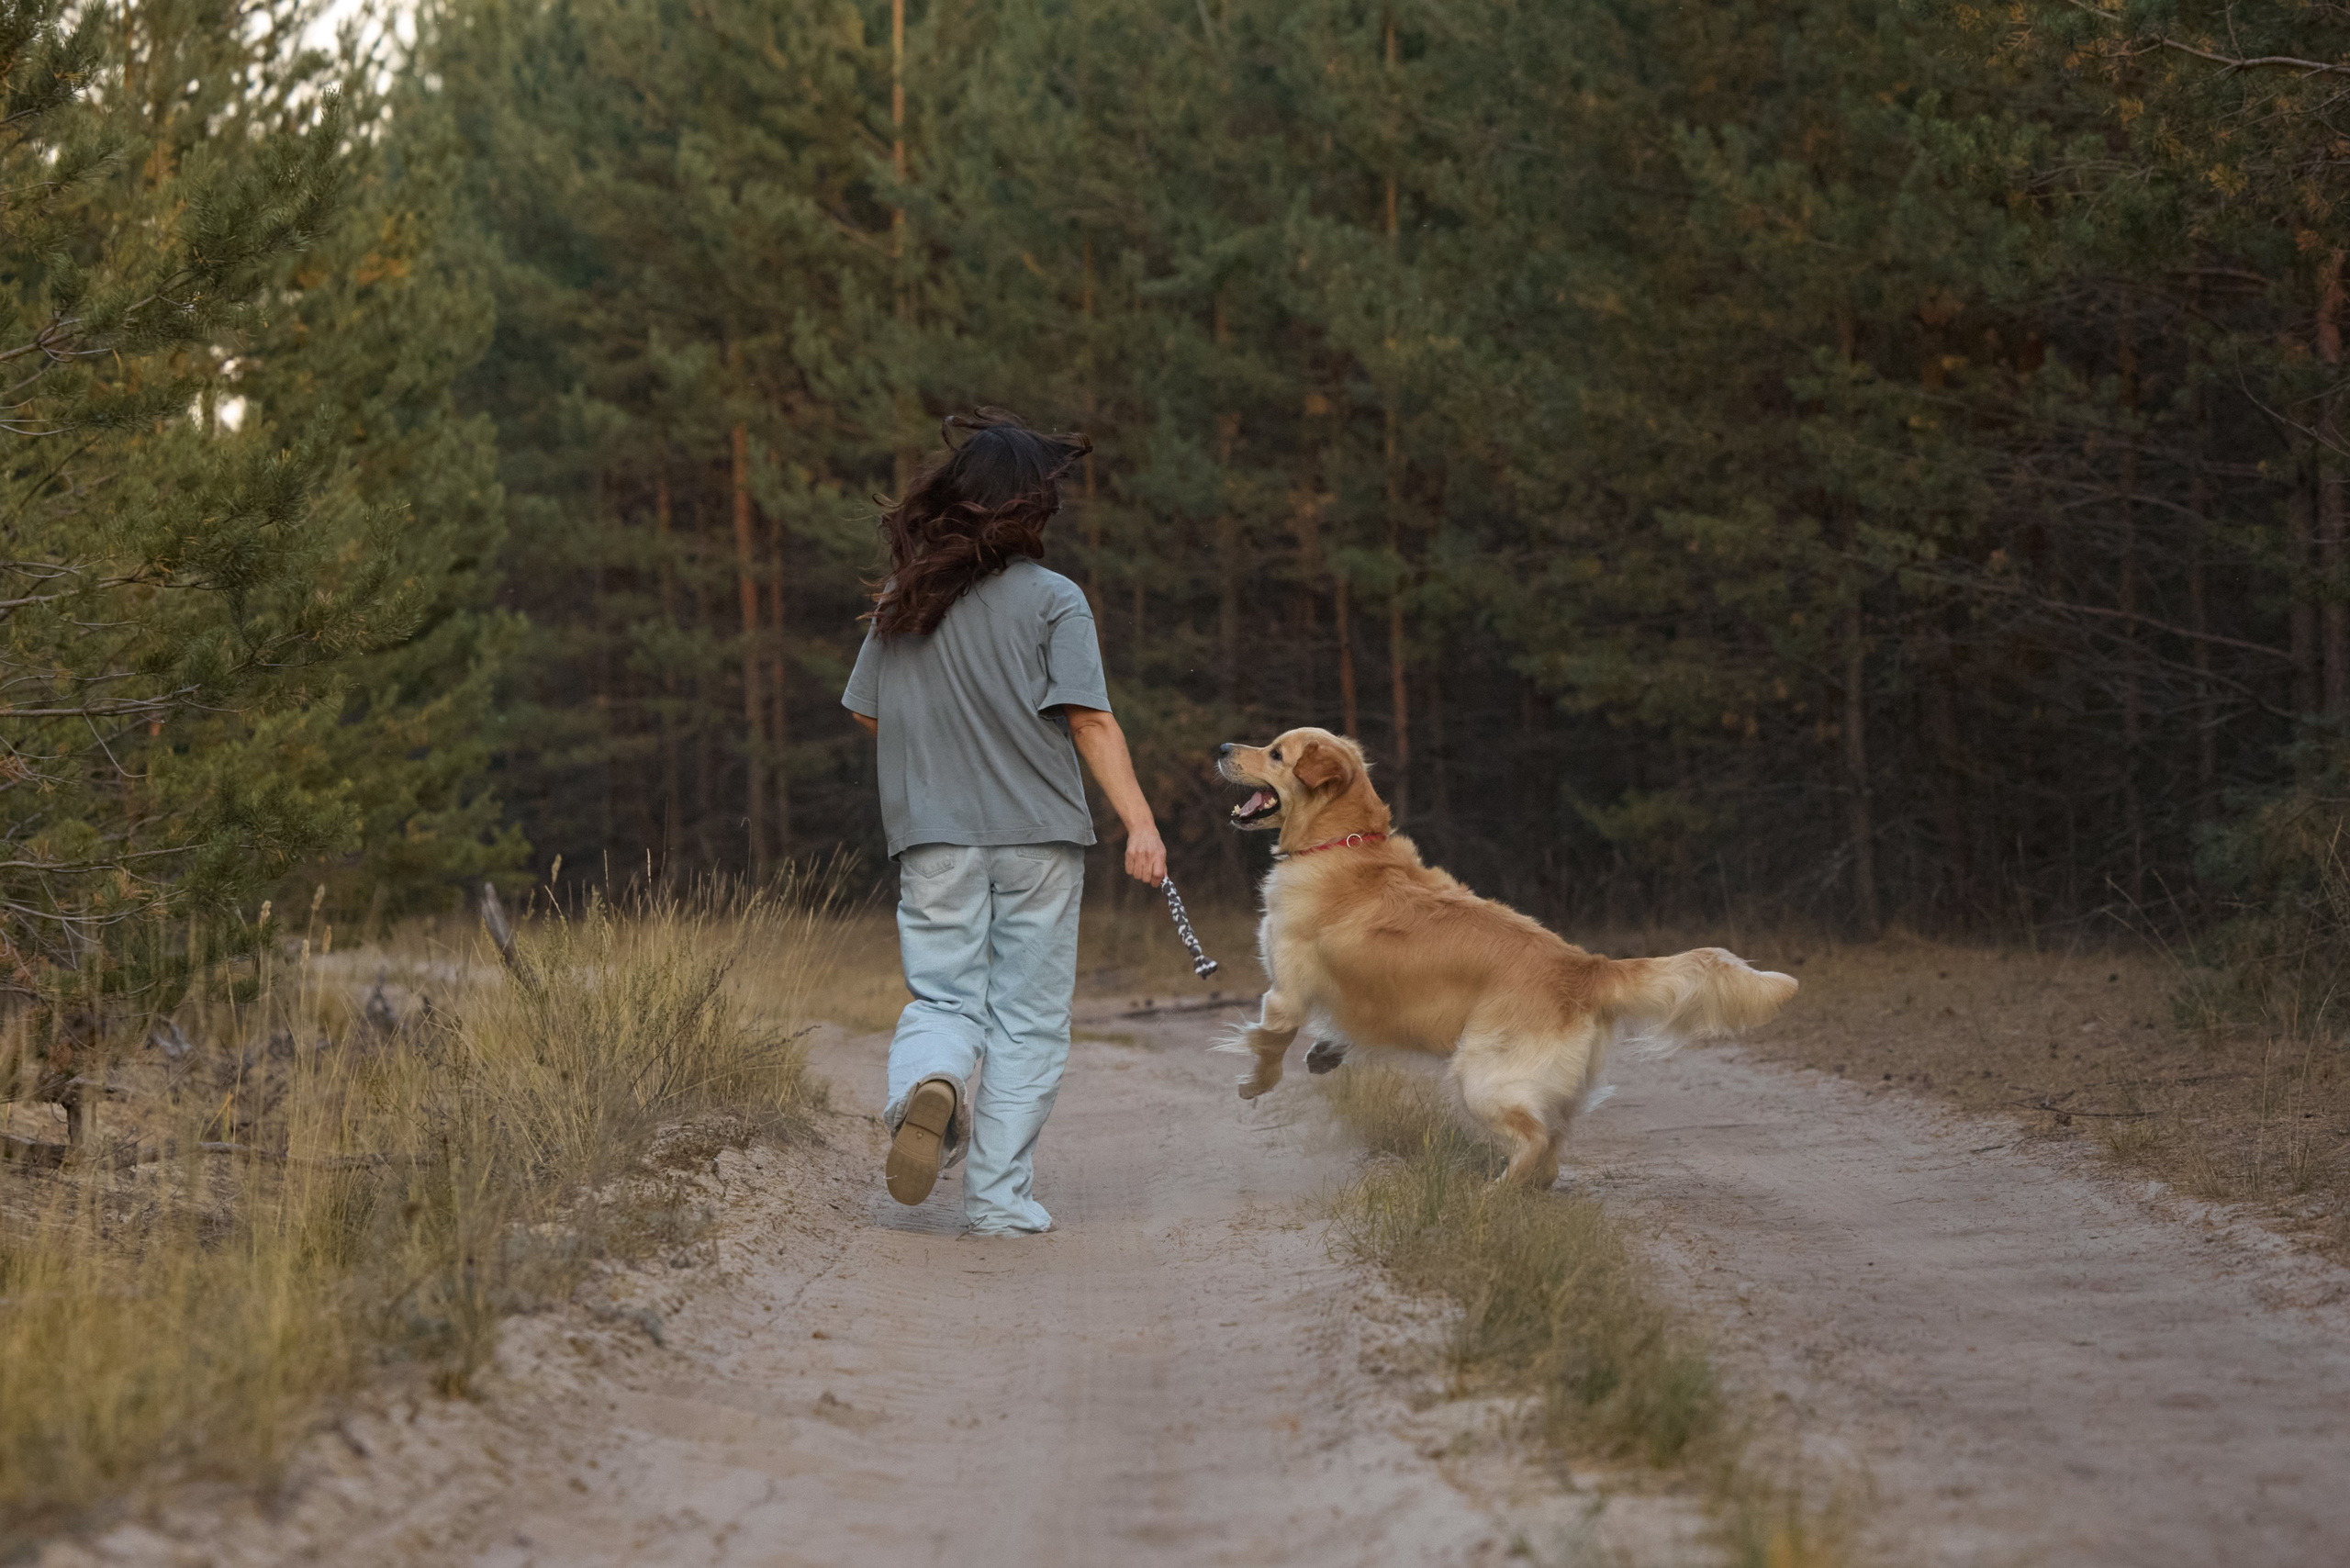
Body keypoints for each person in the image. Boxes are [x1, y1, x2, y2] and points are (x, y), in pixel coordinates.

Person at [842, 409, 1167, 1235]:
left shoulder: (903, 600)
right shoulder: (1056, 600)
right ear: (1028, 507)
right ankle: (996, 1201)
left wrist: (943, 745)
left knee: (946, 997)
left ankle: (934, 1083)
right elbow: (1091, 721)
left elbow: (872, 716)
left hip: (935, 838)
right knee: (1026, 1019)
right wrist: (1141, 825)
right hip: (1039, 839)